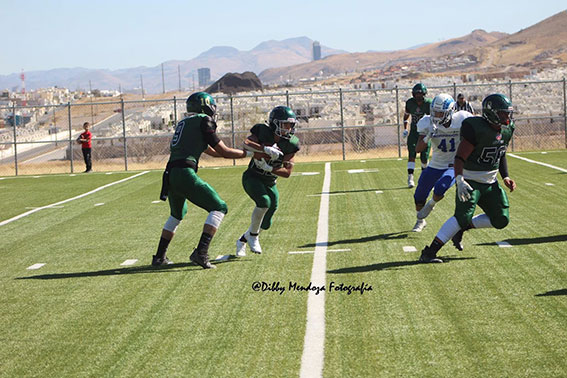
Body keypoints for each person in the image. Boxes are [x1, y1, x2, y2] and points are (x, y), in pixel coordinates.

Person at [152, 92, 253, 269]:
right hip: (184, 172)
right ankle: (201, 252)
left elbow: (213, 152)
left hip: (170, 173)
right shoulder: (203, 121)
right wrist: (249, 153)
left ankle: (159, 257)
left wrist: (240, 153)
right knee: (219, 207)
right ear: (205, 106)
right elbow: (224, 151)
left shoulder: (185, 123)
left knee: (177, 214)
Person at [419, 94, 516, 263]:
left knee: (501, 219)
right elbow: (459, 158)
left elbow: (500, 153)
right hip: (470, 180)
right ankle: (429, 251)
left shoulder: (507, 129)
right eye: (502, 113)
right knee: (461, 217)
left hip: (490, 182)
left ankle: (461, 229)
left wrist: (505, 176)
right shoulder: (476, 128)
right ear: (492, 113)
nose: (506, 117)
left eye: (507, 113)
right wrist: (459, 180)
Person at [235, 106, 300, 257]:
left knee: (266, 223)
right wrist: (265, 149)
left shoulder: (291, 143)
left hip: (270, 181)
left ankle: (244, 239)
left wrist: (270, 168)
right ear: (274, 123)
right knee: (264, 202)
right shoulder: (262, 131)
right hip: (253, 177)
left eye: (291, 125)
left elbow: (287, 172)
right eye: (285, 124)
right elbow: (246, 144)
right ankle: (254, 237)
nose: (288, 128)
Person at [412, 94, 473, 232]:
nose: (437, 116)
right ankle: (420, 221)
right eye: (435, 112)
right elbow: (418, 149)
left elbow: (477, 127)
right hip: (436, 164)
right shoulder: (427, 122)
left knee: (442, 186)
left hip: (454, 164)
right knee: (419, 196)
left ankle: (432, 204)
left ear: (451, 111)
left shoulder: (462, 119)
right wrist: (428, 137)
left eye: (441, 113)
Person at [403, 83, 432, 188]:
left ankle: (425, 179)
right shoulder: (410, 103)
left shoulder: (429, 103)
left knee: (424, 157)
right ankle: (410, 177)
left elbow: (434, 118)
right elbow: (406, 116)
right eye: (417, 94)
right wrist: (405, 129)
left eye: (421, 94)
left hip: (425, 132)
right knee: (412, 154)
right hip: (414, 132)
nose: (419, 96)